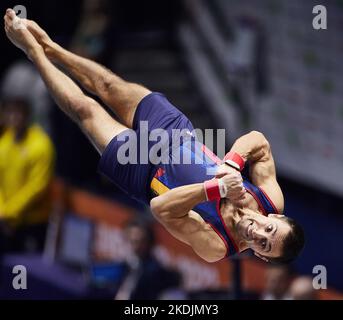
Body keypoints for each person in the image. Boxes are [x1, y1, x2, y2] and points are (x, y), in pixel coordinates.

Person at [4, 9, 304, 264]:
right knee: (108, 83)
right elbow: (259, 143)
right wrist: (234, 164)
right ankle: (51, 47)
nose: (259, 233)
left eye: (263, 244)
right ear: (275, 218)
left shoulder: (217, 246)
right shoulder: (269, 198)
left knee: (84, 109)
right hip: (175, 135)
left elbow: (161, 210)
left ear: (261, 257)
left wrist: (216, 189)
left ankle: (32, 52)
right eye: (269, 230)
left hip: (144, 172)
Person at [0, 97, 55, 252]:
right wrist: (2, 210)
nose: (13, 117)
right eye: (9, 113)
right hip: (5, 220)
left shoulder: (41, 145)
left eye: (18, 113)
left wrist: (10, 212)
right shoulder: (5, 140)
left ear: (27, 116)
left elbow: (38, 186)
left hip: (32, 222)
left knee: (24, 270)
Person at [115, 218, 182, 300]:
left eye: (139, 241)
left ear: (149, 242)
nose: (135, 247)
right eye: (131, 241)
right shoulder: (123, 265)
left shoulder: (155, 271)